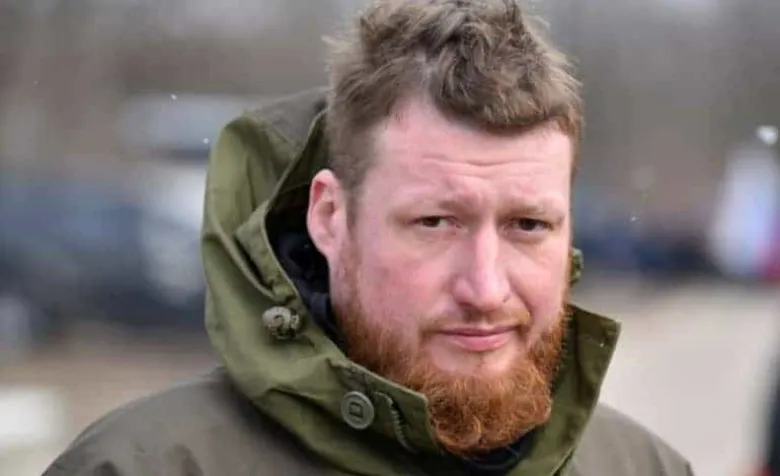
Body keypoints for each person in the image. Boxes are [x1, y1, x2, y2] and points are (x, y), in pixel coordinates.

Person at [43, 1, 695, 474]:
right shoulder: (145, 466)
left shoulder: (642, 467)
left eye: (528, 225)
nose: (485, 288)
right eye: (434, 222)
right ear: (330, 218)